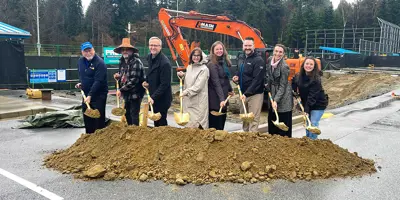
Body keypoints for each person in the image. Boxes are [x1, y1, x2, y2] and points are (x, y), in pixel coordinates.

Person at [232, 37, 265, 132]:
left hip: (254, 94)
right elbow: (240, 71)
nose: (247, 47)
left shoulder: (258, 60)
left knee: (253, 119)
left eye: (249, 45)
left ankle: (252, 141)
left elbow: (257, 80)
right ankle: (245, 138)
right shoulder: (242, 58)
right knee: (245, 119)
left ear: (254, 46)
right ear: (243, 46)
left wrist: (246, 94)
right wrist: (236, 76)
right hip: (243, 93)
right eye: (245, 45)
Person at [292, 57, 328, 140]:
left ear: (314, 66)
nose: (308, 66)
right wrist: (294, 92)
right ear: (303, 65)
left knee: (313, 123)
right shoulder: (299, 76)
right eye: (307, 63)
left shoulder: (316, 79)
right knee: (307, 122)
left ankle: (313, 142)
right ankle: (308, 140)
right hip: (306, 102)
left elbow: (312, 97)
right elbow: (294, 81)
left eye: (311, 64)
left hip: (318, 104)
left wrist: (306, 111)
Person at [75, 42, 108, 134]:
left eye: (90, 50)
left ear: (93, 50)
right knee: (87, 117)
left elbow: (98, 81)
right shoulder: (80, 61)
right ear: (82, 52)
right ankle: (88, 137)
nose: (88, 53)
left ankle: (99, 139)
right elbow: (82, 75)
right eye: (86, 51)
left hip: (99, 95)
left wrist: (90, 95)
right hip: (86, 94)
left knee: (98, 118)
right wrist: (80, 83)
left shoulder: (100, 63)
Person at [113, 38, 145, 126]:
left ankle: (135, 133)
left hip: (136, 93)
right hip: (127, 93)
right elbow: (123, 75)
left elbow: (134, 80)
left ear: (132, 51)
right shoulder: (122, 62)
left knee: (134, 114)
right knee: (127, 113)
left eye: (127, 49)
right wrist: (118, 76)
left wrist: (121, 90)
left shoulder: (136, 62)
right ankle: (131, 130)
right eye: (123, 50)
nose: (125, 51)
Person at [142, 37, 172, 127]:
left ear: (160, 47)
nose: (153, 47)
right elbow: (151, 73)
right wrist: (146, 81)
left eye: (155, 45)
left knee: (161, 122)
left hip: (162, 98)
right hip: (154, 97)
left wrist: (153, 97)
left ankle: (165, 139)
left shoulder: (165, 63)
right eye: (151, 45)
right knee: (156, 122)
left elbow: (165, 84)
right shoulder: (150, 58)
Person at [177, 48, 210, 129]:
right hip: (189, 100)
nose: (196, 57)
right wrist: (183, 75)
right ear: (191, 56)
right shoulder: (189, 67)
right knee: (189, 125)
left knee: (198, 125)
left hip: (199, 102)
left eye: (198, 56)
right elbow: (190, 78)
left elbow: (198, 86)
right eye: (194, 55)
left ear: (201, 57)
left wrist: (186, 92)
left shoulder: (204, 69)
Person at [265, 44, 293, 137]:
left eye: (280, 52)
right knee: (272, 117)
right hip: (272, 91)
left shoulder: (284, 67)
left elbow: (283, 86)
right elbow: (269, 75)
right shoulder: (269, 60)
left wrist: (276, 100)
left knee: (282, 118)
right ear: (273, 51)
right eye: (276, 51)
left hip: (284, 95)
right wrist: (267, 86)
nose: (278, 54)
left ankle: (284, 142)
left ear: (284, 54)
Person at [207, 41, 234, 130]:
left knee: (222, 123)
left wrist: (230, 90)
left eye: (221, 49)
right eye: (217, 49)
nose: (219, 51)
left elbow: (226, 79)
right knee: (215, 126)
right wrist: (221, 100)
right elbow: (216, 83)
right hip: (215, 99)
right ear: (213, 51)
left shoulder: (224, 62)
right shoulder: (212, 64)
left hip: (223, 96)